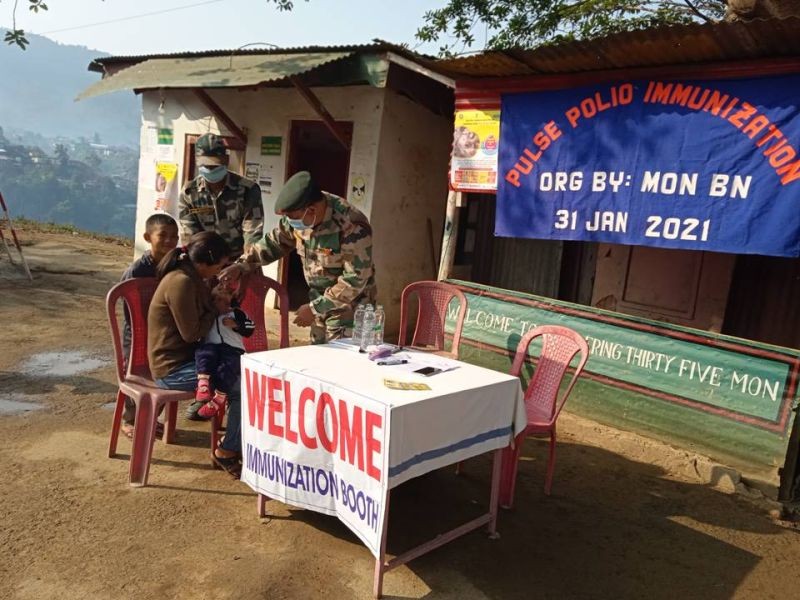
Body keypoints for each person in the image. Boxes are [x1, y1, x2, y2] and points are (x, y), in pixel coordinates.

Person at [222, 170, 376, 344]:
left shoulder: (351, 225)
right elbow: (274, 243)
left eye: (292, 217)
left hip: (351, 312)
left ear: (311, 210)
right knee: (316, 362)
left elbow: (355, 279)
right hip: (319, 305)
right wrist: (242, 265)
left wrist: (314, 308)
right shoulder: (299, 214)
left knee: (342, 365)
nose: (290, 221)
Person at [147, 231, 242, 477]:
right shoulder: (182, 282)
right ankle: (228, 450)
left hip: (190, 360)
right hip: (173, 369)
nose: (221, 271)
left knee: (243, 373)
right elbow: (192, 334)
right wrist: (215, 309)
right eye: (220, 265)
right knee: (240, 386)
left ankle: (232, 444)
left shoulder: (193, 277)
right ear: (206, 261)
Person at [119, 213, 179, 440]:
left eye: (174, 236)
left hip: (164, 335)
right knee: (136, 377)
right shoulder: (136, 272)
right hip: (138, 334)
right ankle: (129, 420)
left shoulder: (175, 265)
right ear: (147, 237)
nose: (169, 241)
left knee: (165, 375)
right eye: (162, 235)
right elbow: (128, 311)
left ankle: (151, 417)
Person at [178, 133, 264, 258]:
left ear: (226, 160)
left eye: (215, 165)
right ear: (197, 162)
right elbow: (190, 234)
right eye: (206, 165)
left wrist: (245, 264)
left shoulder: (248, 190)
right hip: (204, 260)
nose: (210, 169)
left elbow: (252, 232)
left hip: (238, 259)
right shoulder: (189, 193)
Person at [195, 283, 255, 419]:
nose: (219, 303)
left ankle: (218, 399)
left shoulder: (237, 313)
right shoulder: (209, 314)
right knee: (203, 353)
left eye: (223, 299)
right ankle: (203, 384)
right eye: (216, 300)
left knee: (228, 369)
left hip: (233, 349)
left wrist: (236, 324)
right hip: (212, 346)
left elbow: (251, 327)